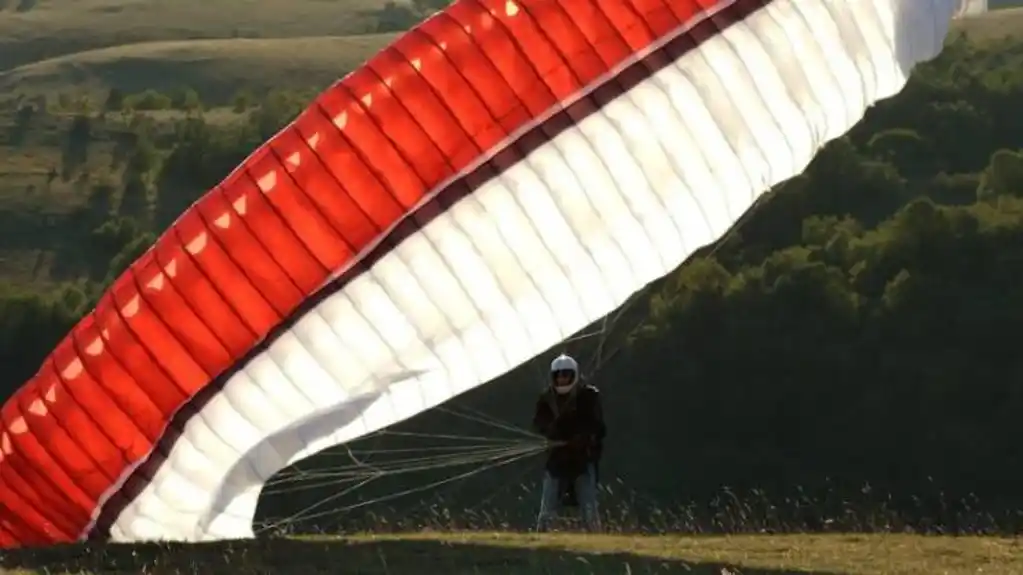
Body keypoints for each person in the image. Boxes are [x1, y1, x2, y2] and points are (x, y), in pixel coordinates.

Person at [531, 353, 605, 532]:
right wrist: (552, 432)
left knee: (588, 506)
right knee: (547, 506)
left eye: (566, 375)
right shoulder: (547, 398)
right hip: (557, 460)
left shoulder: (588, 396)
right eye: (559, 376)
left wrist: (583, 438)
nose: (563, 379)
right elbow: (538, 423)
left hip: (581, 460)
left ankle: (595, 535)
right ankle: (541, 535)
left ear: (574, 375)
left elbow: (598, 427)